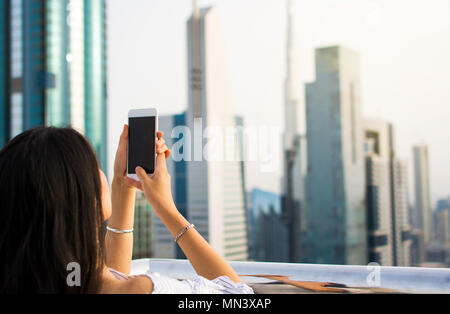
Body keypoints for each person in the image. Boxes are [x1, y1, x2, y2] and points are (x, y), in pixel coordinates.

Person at [0, 125, 253, 294]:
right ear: (84, 196)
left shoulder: (59, 280)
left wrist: (123, 186)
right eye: (94, 165)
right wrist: (166, 208)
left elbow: (111, 277)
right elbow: (240, 295)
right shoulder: (146, 289)